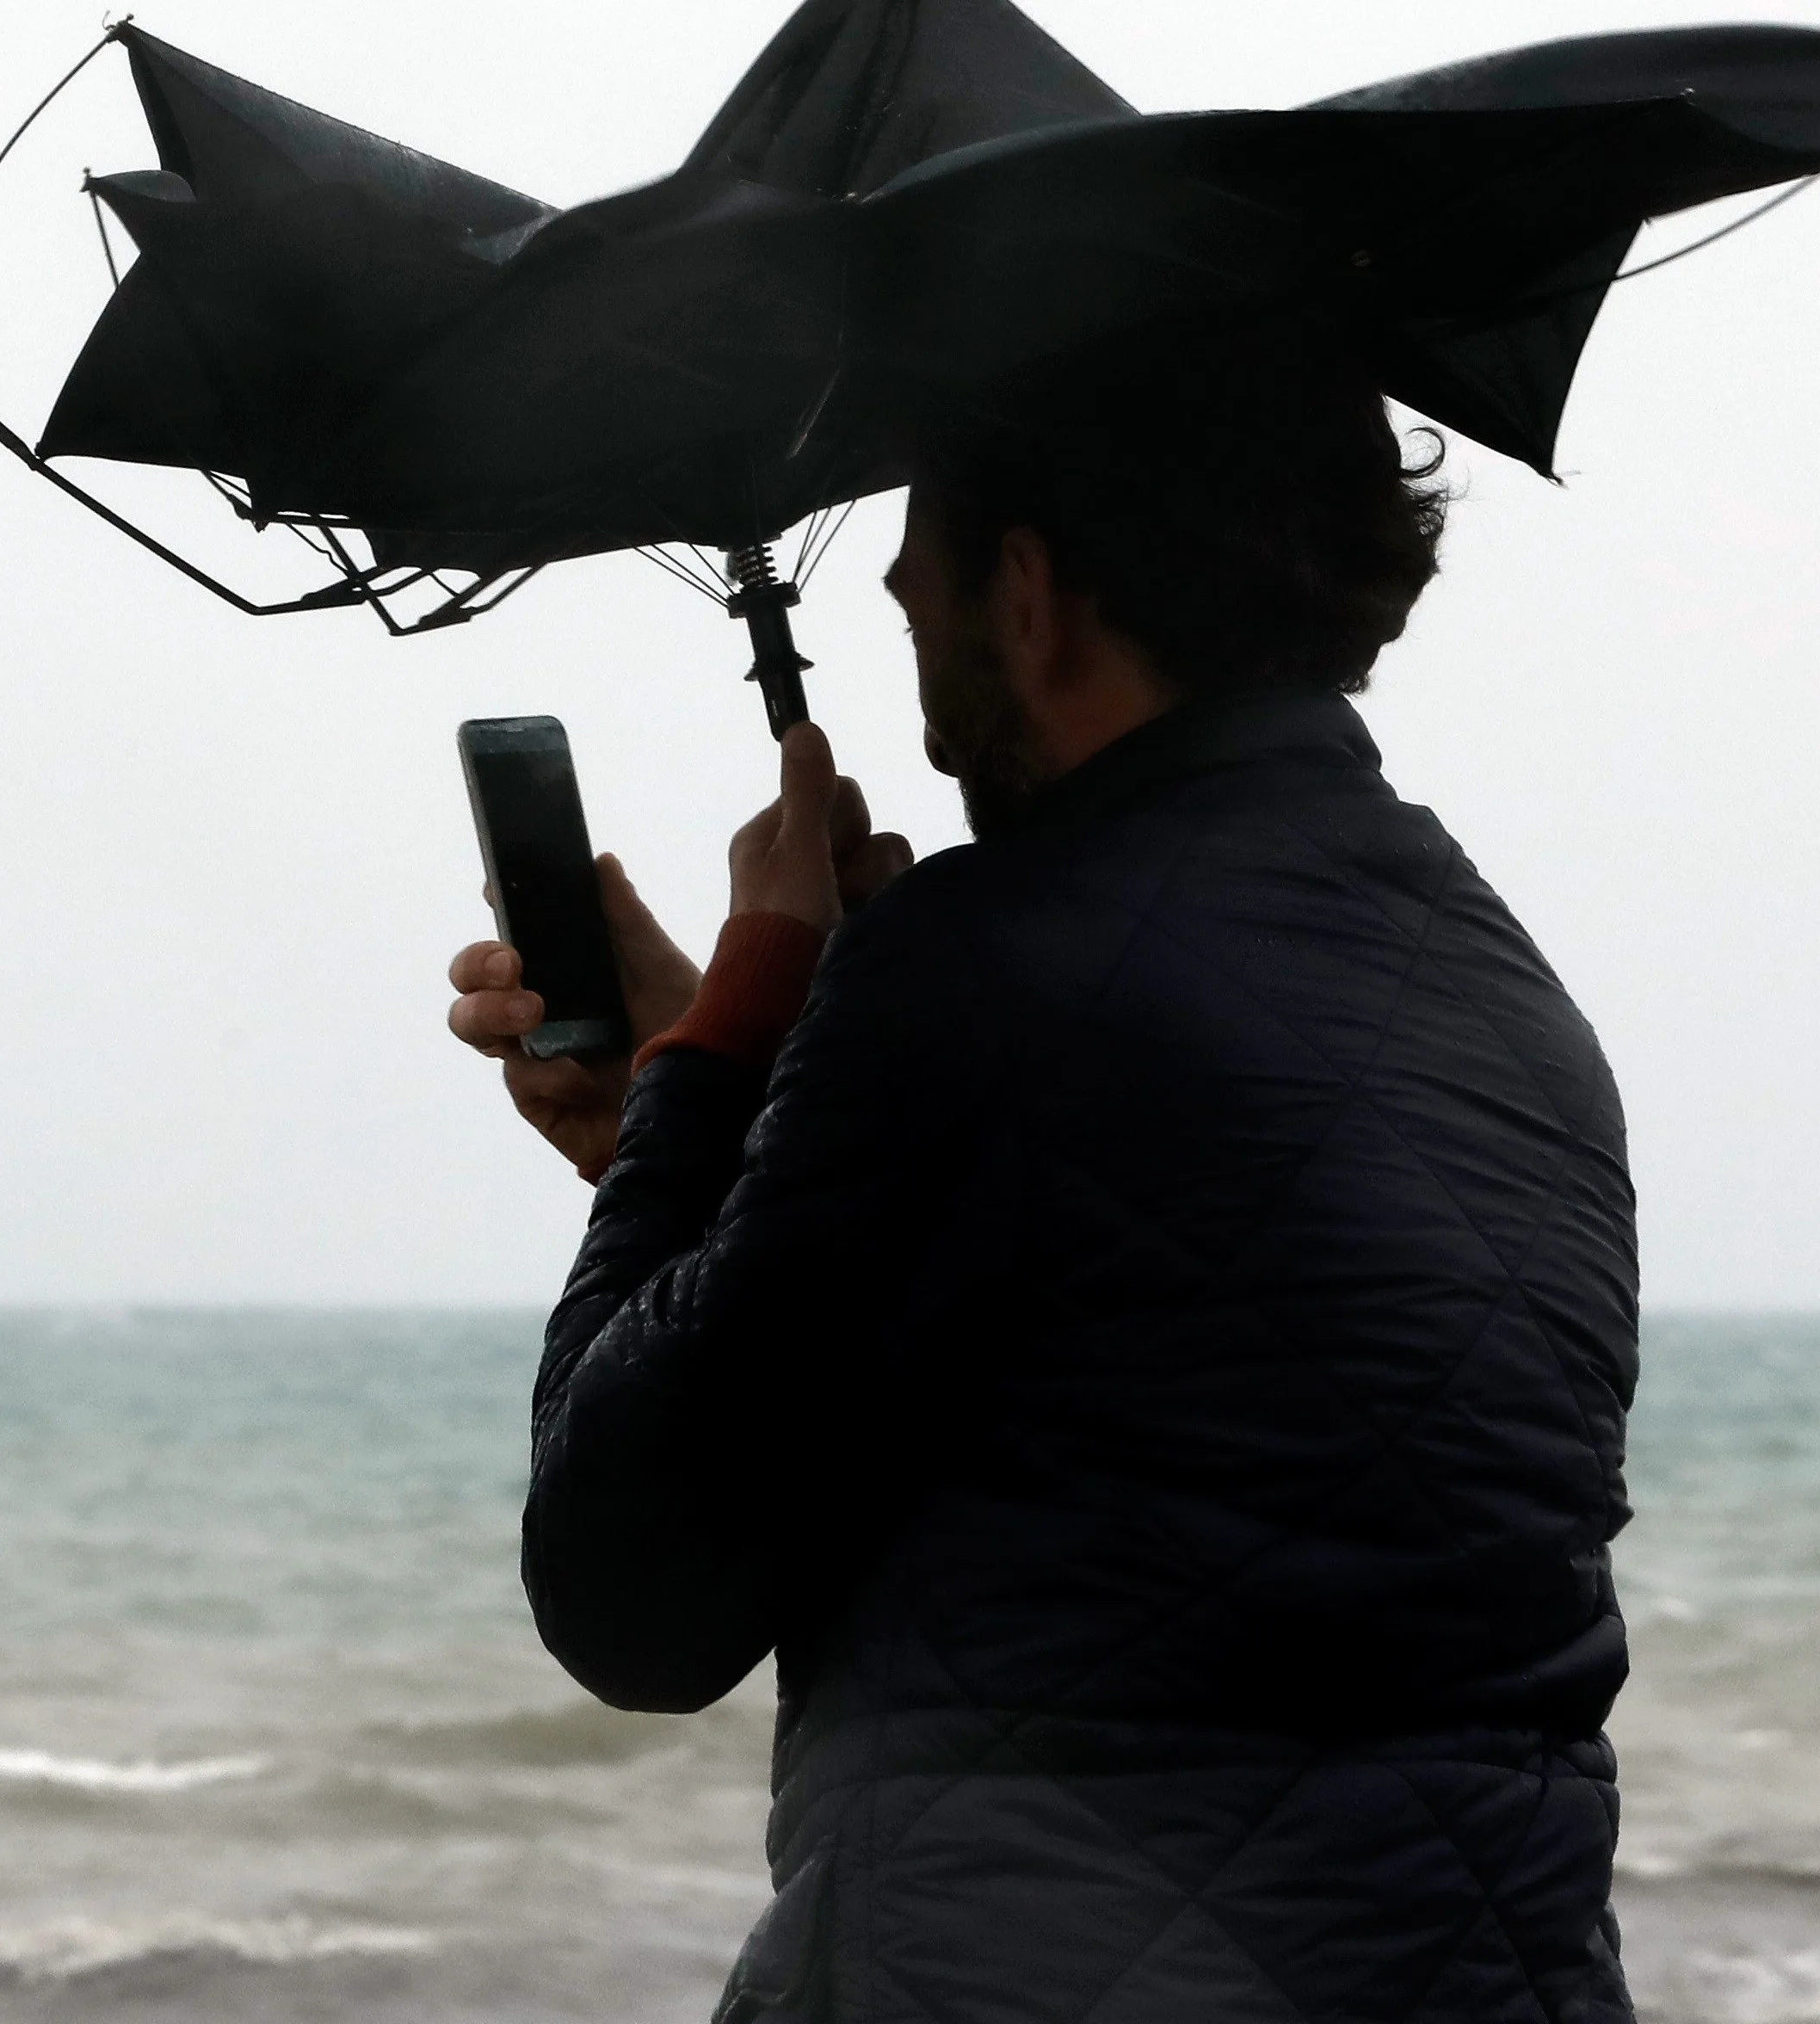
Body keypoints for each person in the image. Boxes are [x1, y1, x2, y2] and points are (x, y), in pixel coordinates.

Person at [446, 329, 1640, 2024]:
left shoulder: (969, 973)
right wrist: (740, 1105)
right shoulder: (1504, 1006)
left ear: (1025, 594)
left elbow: (624, 1589)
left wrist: (727, 1039)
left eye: (915, 580)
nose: (905, 625)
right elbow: (1082, 1402)